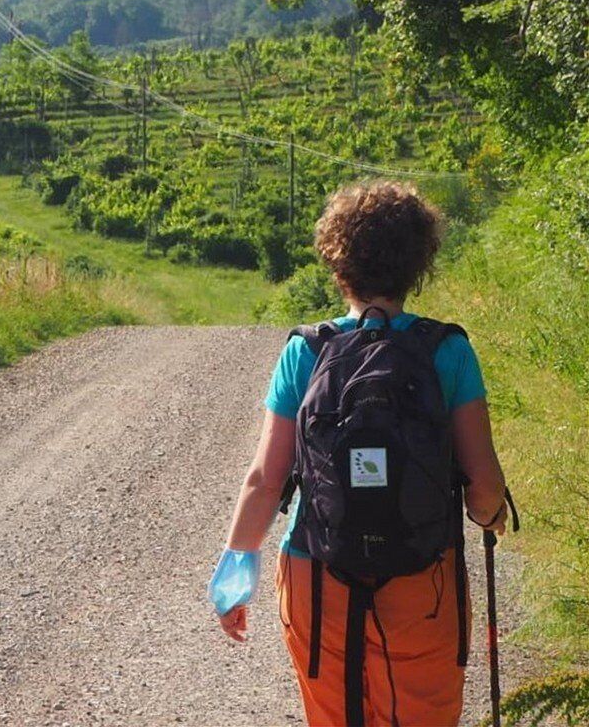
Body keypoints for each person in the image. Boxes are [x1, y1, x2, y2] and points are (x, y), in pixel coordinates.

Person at [212, 181, 508, 727]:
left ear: (336, 258)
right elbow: (483, 485)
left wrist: (235, 572)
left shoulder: (307, 350)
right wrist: (490, 516)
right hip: (424, 580)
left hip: (318, 574)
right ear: (419, 262)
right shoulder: (447, 350)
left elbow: (264, 479)